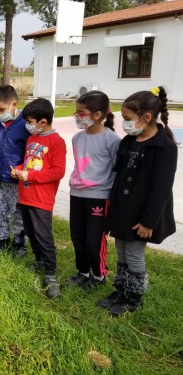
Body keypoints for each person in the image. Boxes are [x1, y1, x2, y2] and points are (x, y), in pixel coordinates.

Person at [100, 86, 177, 316]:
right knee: (122, 251)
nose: (125, 123)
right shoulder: (129, 141)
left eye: (127, 119)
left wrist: (148, 222)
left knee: (134, 255)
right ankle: (121, 289)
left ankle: (133, 297)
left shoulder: (165, 148)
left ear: (146, 117)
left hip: (141, 215)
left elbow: (161, 189)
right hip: (123, 210)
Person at [11, 98, 66, 298]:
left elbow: (58, 172)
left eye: (30, 121)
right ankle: (39, 260)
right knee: (31, 233)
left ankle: (51, 275)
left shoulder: (56, 142)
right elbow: (29, 164)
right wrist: (18, 170)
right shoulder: (31, 139)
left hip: (41, 199)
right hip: (25, 195)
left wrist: (30, 176)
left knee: (44, 236)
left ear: (43, 122)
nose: (28, 125)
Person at [67, 91, 120, 292]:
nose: (77, 116)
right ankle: (83, 272)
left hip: (98, 197)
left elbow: (116, 170)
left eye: (81, 113)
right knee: (77, 237)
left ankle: (99, 276)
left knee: (93, 240)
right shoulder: (77, 138)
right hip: (76, 194)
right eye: (76, 112)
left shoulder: (112, 140)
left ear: (97, 114)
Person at [0, 85, 30, 256]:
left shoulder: (25, 125)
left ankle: (19, 243)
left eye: (2, 109)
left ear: (14, 104)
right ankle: (2, 240)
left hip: (15, 180)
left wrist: (22, 171)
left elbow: (29, 153)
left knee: (18, 213)